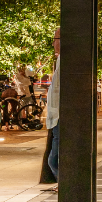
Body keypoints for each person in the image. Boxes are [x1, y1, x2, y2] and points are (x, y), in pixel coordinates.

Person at [41, 28, 61, 188]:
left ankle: (65, 185)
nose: (53, 43)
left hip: (59, 117)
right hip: (55, 117)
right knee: (54, 158)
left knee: (53, 159)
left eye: (55, 39)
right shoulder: (59, 61)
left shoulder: (64, 62)